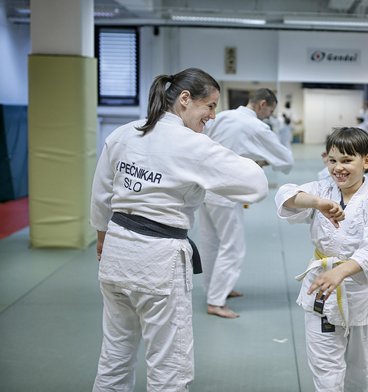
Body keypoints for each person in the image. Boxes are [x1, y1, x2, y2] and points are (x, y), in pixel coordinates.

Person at [90, 68, 268, 391]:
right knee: (169, 369)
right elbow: (255, 184)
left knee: (114, 359)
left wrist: (103, 238)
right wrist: (229, 166)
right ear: (185, 99)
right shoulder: (192, 145)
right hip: (158, 262)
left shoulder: (124, 133)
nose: (212, 116)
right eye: (210, 106)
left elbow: (101, 195)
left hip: (115, 253)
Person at [275, 127, 368, 392]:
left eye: (347, 160)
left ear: (367, 160)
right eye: (332, 160)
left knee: (358, 371)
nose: (338, 168)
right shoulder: (321, 190)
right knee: (327, 372)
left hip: (360, 292)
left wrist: (341, 272)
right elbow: (285, 195)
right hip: (321, 292)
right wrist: (316, 203)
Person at [200, 88, 294, 319]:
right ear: (262, 104)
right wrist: (260, 161)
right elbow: (285, 159)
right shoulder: (256, 126)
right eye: (269, 111)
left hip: (204, 187)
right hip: (227, 191)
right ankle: (216, 301)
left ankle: (216, 290)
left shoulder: (223, 116)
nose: (268, 116)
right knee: (232, 246)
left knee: (211, 243)